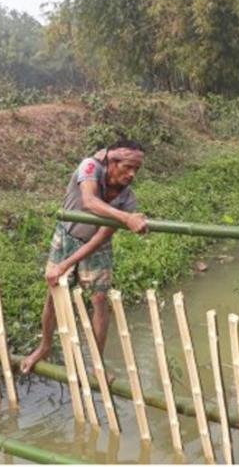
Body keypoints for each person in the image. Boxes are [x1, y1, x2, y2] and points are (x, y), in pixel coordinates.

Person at [20, 138, 148, 375]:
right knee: (54, 295)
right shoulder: (90, 167)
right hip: (66, 235)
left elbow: (100, 238)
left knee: (100, 301)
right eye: (127, 167)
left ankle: (97, 364)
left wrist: (124, 216)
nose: (132, 174)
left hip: (97, 246)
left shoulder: (127, 199)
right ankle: (44, 347)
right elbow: (89, 201)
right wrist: (126, 218)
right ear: (111, 161)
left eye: (136, 169)